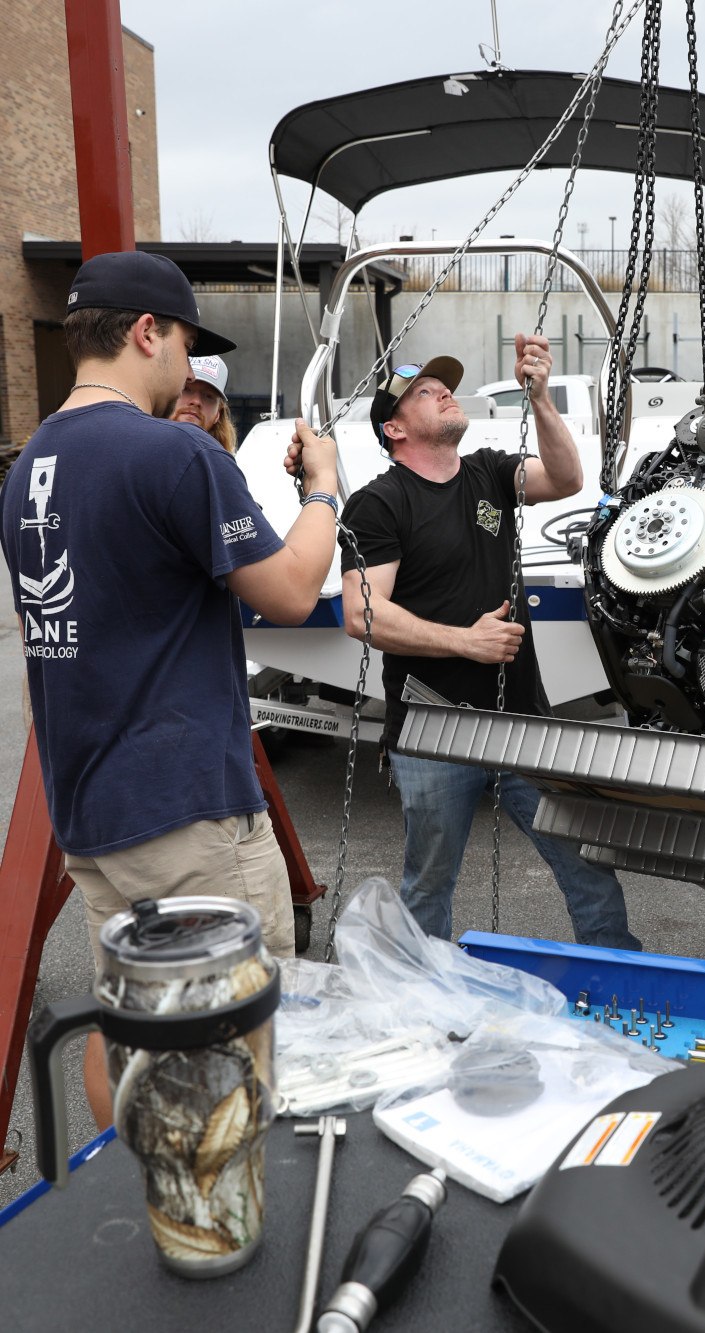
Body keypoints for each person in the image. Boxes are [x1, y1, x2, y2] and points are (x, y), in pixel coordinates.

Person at [0, 250, 340, 1123]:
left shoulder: (29, 464)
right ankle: (215, 1232)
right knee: (229, 1050)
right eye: (185, 343)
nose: (188, 368)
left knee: (127, 1026)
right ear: (147, 332)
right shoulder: (176, 454)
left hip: (92, 812)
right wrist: (323, 490)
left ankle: (127, 1201)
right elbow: (294, 591)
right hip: (187, 816)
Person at [339, 335, 641, 951]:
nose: (446, 391)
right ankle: (424, 1002)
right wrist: (464, 642)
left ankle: (620, 977)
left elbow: (565, 476)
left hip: (523, 719)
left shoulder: (490, 473)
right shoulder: (379, 504)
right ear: (395, 429)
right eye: (426, 391)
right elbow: (361, 615)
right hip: (433, 728)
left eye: (444, 385)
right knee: (429, 884)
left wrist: (540, 399)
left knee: (583, 857)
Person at [172, 352, 238, 452]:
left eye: (208, 396)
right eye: (186, 389)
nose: (196, 401)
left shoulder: (221, 465)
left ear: (218, 414)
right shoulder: (142, 445)